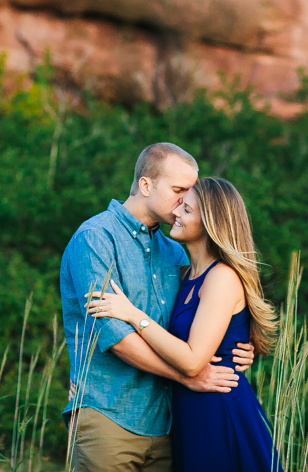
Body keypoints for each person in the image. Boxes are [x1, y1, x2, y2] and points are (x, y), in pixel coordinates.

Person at [60, 143, 257, 471]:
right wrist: (188, 377)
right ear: (146, 185)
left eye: (190, 193)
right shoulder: (95, 239)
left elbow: (194, 326)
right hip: (111, 415)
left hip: (170, 423)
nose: (184, 202)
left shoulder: (176, 253)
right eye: (179, 190)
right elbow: (116, 338)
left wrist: (232, 347)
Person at [87, 177, 282, 472]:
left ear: (211, 224)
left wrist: (132, 314)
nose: (176, 213)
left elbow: (192, 362)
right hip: (189, 409)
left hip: (218, 408)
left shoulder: (222, 278)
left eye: (187, 210)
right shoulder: (185, 274)